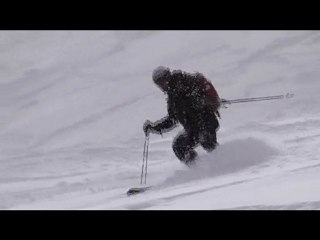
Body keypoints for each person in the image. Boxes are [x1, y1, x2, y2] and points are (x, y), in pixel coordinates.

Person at [143, 66, 221, 166]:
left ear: (168, 77)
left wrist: (197, 102)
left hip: (206, 123)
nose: (161, 86)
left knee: (206, 141)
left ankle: (223, 162)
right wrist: (155, 127)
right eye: (158, 84)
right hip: (193, 129)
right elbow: (172, 119)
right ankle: (198, 168)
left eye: (162, 81)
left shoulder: (185, 83)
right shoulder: (172, 97)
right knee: (178, 145)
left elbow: (203, 100)